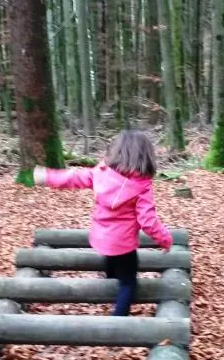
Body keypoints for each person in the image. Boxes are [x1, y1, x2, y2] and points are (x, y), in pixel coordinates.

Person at [33, 131, 173, 316]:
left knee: (112, 257)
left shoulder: (101, 172)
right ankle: (118, 320)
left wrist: (47, 176)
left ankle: (109, 281)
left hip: (101, 238)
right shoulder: (142, 184)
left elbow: (74, 178)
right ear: (145, 155)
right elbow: (148, 220)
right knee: (129, 282)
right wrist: (165, 239)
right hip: (123, 244)